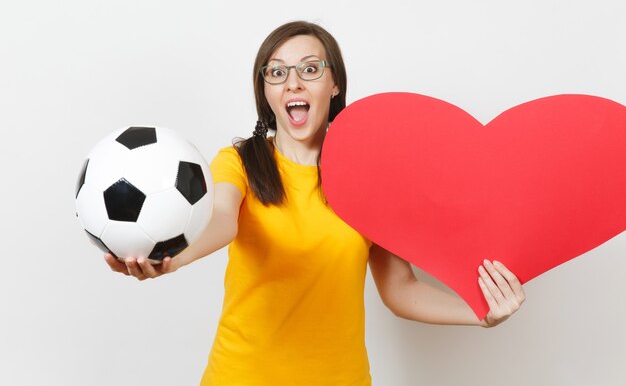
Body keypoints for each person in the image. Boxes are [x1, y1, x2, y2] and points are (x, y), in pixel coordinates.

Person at [105, 21, 526, 385]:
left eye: (310, 69)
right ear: (265, 90)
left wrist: (480, 313)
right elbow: (221, 219)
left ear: (334, 83)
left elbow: (400, 290)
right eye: (277, 72)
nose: (293, 83)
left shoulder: (371, 180)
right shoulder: (239, 162)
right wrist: (172, 258)